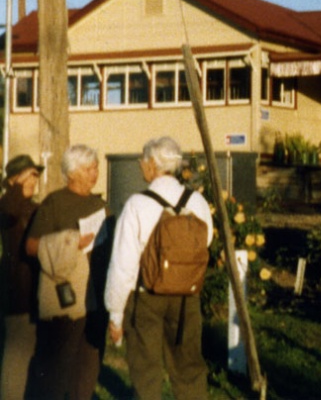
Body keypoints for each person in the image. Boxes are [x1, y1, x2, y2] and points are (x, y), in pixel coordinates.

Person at [104, 136, 213, 400]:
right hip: (187, 298)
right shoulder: (196, 202)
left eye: (143, 161)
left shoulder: (137, 204)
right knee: (188, 369)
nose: (141, 166)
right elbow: (205, 241)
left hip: (147, 296)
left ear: (153, 164)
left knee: (146, 372)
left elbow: (123, 264)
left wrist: (115, 313)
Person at [24, 145, 111, 400]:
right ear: (72, 173)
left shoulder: (101, 205)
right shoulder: (55, 203)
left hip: (97, 296)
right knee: (56, 367)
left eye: (95, 167)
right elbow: (31, 246)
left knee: (89, 364)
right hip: (68, 298)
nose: (95, 173)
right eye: (88, 169)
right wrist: (72, 242)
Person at [0, 155, 44, 400]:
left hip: (38, 294)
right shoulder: (8, 206)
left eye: (37, 175)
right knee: (16, 358)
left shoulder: (35, 208)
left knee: (34, 358)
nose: (35, 180)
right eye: (31, 175)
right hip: (17, 294)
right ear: (14, 180)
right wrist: (16, 187)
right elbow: (7, 213)